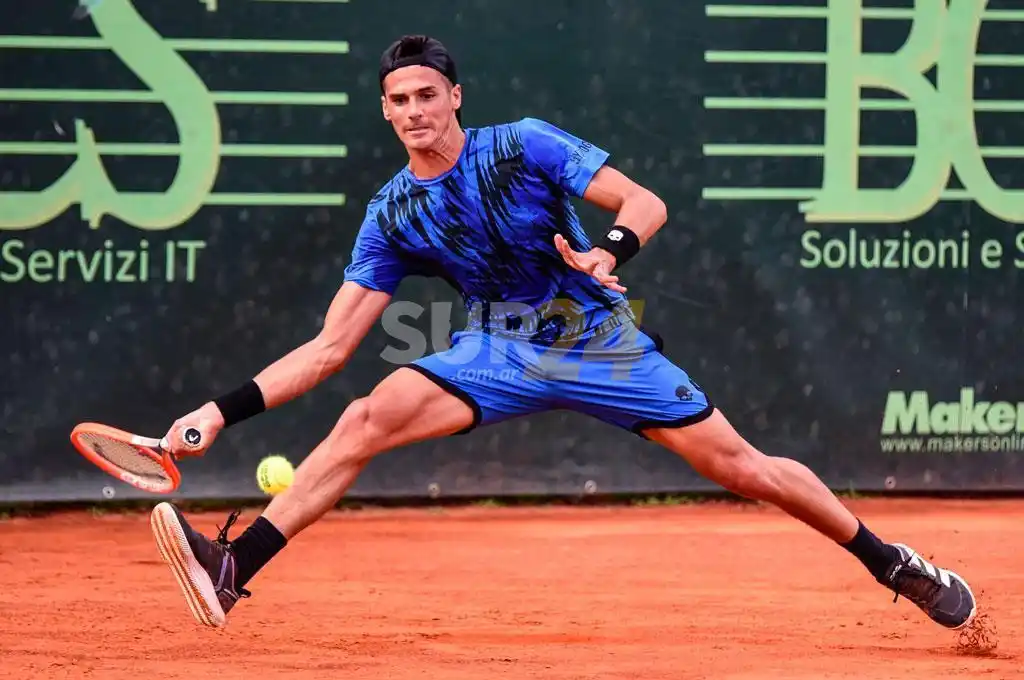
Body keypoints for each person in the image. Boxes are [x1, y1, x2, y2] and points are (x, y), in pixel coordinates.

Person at [149, 34, 977, 631]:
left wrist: (606, 250)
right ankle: (234, 568)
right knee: (366, 414)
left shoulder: (526, 145)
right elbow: (329, 348)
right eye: (398, 101)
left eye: (426, 95)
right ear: (385, 110)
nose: (413, 112)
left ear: (455, 96)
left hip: (597, 341)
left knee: (743, 468)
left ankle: (891, 561)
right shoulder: (390, 212)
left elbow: (644, 203)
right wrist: (221, 411)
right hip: (497, 348)